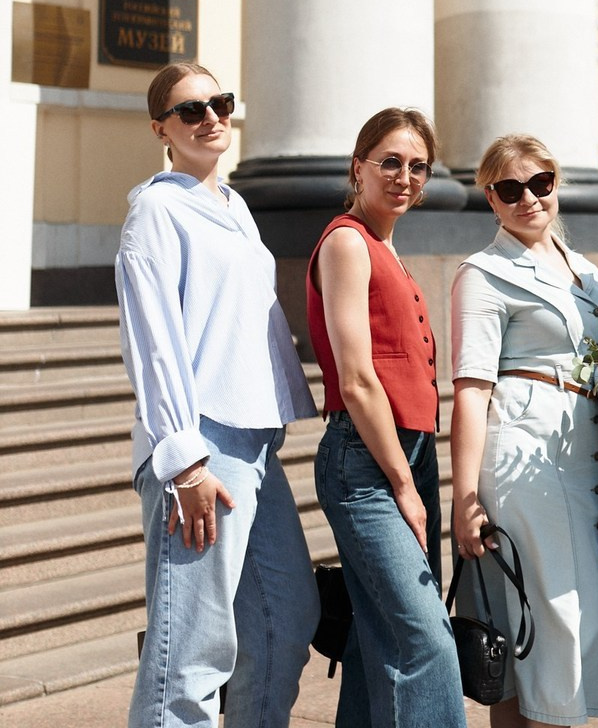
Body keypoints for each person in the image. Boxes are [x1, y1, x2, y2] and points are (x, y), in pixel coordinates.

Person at [116, 61, 318, 727]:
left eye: (220, 103)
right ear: (161, 130)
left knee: (286, 620)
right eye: (190, 110)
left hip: (254, 440)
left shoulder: (234, 205)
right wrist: (184, 460)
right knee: (189, 654)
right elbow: (154, 342)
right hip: (200, 445)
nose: (211, 118)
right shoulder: (156, 209)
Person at [450, 134, 598, 726]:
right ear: (490, 199)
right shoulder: (484, 273)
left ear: (556, 183)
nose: (528, 199)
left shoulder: (589, 274)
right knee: (559, 621)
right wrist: (465, 497)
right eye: (509, 189)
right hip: (525, 458)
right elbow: (472, 389)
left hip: (581, 457)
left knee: (532, 630)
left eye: (540, 183)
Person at [307, 108, 466, 728]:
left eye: (417, 167)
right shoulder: (348, 240)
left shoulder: (386, 249)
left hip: (409, 454)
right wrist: (403, 481)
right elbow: (356, 376)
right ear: (359, 168)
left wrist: (415, 472)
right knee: (423, 640)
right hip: (368, 461)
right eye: (390, 162)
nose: (404, 176)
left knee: (375, 640)